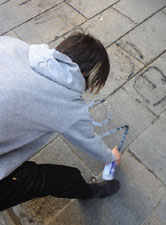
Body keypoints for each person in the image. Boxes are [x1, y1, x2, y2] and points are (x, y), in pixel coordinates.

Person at [0, 32, 121, 211]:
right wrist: (110, 157)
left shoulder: (11, 43)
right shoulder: (68, 104)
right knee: (64, 178)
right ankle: (89, 192)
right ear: (84, 73)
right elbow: (89, 141)